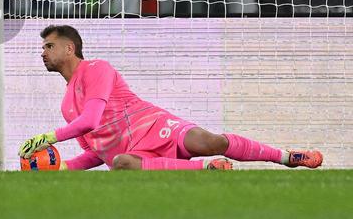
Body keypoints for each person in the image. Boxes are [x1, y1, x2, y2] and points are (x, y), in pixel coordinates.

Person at [19, 25, 324, 171]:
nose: (43, 52)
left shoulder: (97, 68)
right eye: (43, 48)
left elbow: (91, 119)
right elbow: (97, 153)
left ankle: (287, 157)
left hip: (156, 126)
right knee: (121, 163)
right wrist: (60, 168)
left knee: (208, 141)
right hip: (136, 154)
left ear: (69, 48)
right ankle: (207, 170)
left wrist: (48, 138)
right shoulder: (66, 106)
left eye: (49, 46)